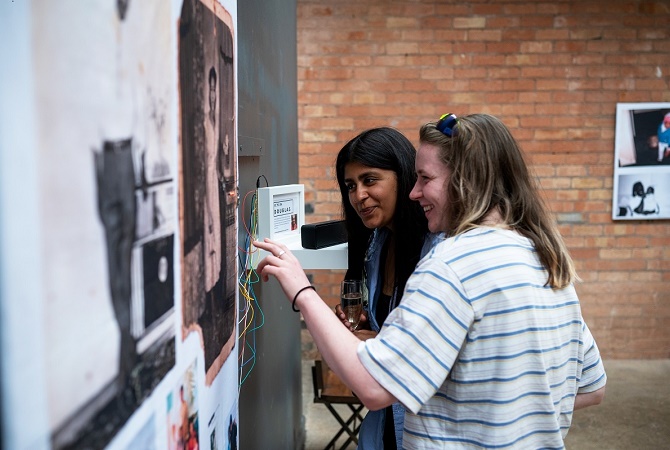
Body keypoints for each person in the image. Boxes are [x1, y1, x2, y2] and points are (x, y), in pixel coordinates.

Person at [254, 113, 606, 448]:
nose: (414, 191)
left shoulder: (450, 264)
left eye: (424, 178)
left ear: (466, 179)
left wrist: (302, 290)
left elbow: (375, 387)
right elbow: (589, 386)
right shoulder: (547, 257)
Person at [332, 127, 433, 449]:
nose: (358, 195)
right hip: (386, 423)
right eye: (350, 185)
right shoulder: (378, 241)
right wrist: (366, 323)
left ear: (404, 177)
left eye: (370, 180)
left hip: (427, 426)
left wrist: (378, 341)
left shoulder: (437, 252)